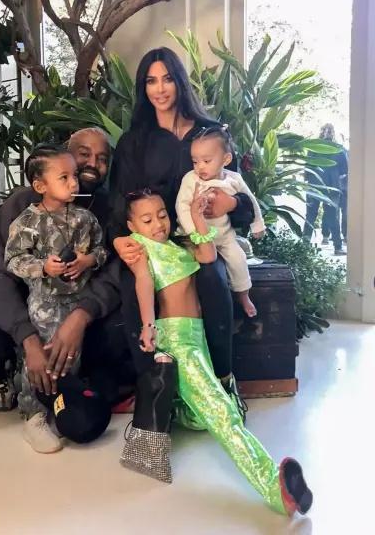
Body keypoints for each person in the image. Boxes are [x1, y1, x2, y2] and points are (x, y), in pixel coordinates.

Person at [120, 189, 313, 517]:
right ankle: (273, 485)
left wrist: (197, 217)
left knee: (203, 415)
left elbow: (208, 256)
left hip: (196, 337)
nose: (157, 224)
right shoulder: (140, 248)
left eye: (162, 215)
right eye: (147, 220)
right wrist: (148, 324)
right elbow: (143, 283)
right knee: (224, 414)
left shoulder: (177, 246)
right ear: (132, 226)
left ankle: (178, 412)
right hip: (176, 338)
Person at [108, 47, 255, 420]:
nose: (160, 89)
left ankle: (223, 381)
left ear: (179, 82)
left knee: (212, 279)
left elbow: (243, 200)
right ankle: (156, 392)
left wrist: (231, 205)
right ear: (143, 88)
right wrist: (119, 239)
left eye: (167, 79)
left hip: (200, 239)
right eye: (151, 81)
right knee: (132, 286)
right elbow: (116, 204)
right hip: (152, 242)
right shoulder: (134, 142)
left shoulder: (209, 135)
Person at [0, 128, 132, 421]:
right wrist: (27, 336)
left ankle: (70, 379)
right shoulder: (23, 206)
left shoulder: (105, 210)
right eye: (83, 154)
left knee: (120, 334)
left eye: (102, 158)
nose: (92, 164)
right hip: (26, 302)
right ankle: (8, 368)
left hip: (77, 303)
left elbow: (112, 269)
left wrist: (81, 316)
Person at [4, 146, 108, 452]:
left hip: (78, 302)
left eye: (74, 175)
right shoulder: (27, 222)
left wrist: (88, 261)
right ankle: (33, 414)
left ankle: (62, 403)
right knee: (42, 359)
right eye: (64, 177)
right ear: (40, 185)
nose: (74, 182)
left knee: (69, 359)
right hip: (44, 304)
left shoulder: (85, 218)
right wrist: (42, 267)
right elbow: (12, 260)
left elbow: (101, 250)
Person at [176, 125, 265, 317]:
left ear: (226, 159)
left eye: (206, 161)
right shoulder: (191, 179)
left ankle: (243, 295)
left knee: (239, 260)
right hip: (196, 239)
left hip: (225, 237)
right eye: (195, 161)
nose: (200, 167)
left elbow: (251, 201)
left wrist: (257, 225)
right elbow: (181, 206)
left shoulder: (234, 180)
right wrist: (193, 232)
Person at [303, 123, 348, 255]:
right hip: (332, 186)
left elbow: (307, 167)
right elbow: (344, 171)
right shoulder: (339, 149)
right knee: (332, 216)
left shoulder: (313, 147)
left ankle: (304, 246)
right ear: (333, 133)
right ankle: (338, 247)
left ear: (321, 132)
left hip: (314, 184)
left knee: (310, 215)